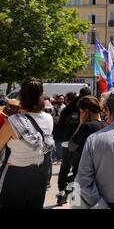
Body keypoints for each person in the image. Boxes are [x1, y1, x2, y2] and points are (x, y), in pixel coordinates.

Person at [0, 77, 54, 209]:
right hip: (39, 175)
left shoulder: (13, 121)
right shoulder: (48, 118)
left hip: (15, 176)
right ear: (41, 96)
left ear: (22, 96)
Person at [54, 86, 92, 205]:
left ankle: (62, 193)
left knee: (66, 167)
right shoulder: (89, 106)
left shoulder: (69, 106)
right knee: (77, 169)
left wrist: (60, 137)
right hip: (80, 142)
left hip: (68, 141)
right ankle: (71, 194)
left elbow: (60, 123)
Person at [67, 96, 105, 182]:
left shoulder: (86, 127)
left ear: (86, 112)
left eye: (81, 112)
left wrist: (81, 123)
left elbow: (71, 146)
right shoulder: (105, 125)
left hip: (85, 173)